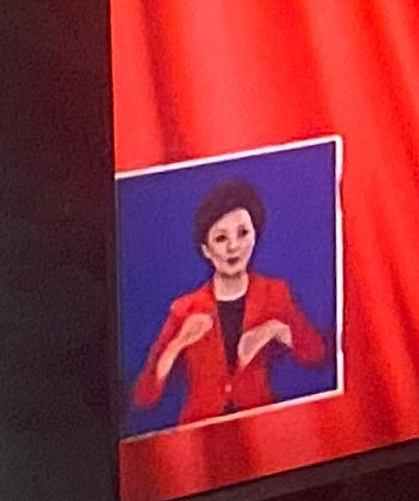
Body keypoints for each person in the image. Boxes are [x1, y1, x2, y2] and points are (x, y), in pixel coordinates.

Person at [133, 176, 330, 429]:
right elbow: (144, 396)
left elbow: (315, 354)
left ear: (255, 236)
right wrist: (178, 344)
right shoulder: (184, 308)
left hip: (261, 425)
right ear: (206, 250)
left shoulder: (275, 293)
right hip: (201, 431)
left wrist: (274, 329)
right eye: (221, 238)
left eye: (243, 233)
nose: (234, 247)